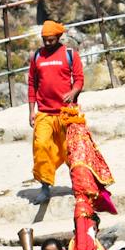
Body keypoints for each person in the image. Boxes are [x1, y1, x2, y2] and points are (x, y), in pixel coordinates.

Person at [26, 21, 84, 204]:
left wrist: (73, 92)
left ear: (59, 37)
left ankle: (78, 185)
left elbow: (79, 79)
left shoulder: (69, 54)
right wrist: (31, 111)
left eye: (51, 40)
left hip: (67, 112)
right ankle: (45, 186)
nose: (47, 43)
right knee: (41, 146)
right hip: (44, 112)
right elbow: (31, 84)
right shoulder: (37, 56)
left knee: (70, 150)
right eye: (44, 40)